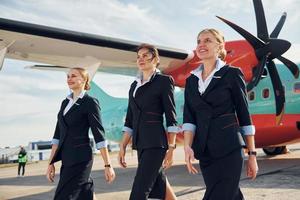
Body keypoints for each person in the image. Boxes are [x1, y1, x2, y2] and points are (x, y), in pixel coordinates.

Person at [182, 28, 258, 200]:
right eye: (199, 41)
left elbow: (244, 116)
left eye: (207, 40)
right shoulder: (191, 81)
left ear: (220, 46)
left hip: (229, 147)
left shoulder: (232, 74)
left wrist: (252, 155)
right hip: (205, 151)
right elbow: (189, 119)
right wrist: (187, 146)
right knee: (230, 195)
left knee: (218, 195)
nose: (201, 45)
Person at [118, 43, 179, 200]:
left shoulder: (164, 81)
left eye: (145, 55)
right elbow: (130, 119)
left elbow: (171, 117)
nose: (141, 59)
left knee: (140, 190)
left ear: (156, 59)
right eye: (139, 56)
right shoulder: (134, 86)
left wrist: (171, 148)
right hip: (141, 144)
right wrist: (123, 145)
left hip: (155, 144)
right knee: (160, 185)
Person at [46, 67, 115, 200]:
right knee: (85, 193)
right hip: (66, 159)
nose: (69, 79)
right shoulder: (65, 103)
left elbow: (99, 134)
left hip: (81, 159)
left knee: (63, 196)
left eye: (73, 76)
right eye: (68, 76)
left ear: (84, 80)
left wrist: (108, 165)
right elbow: (57, 136)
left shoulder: (90, 102)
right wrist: (50, 163)